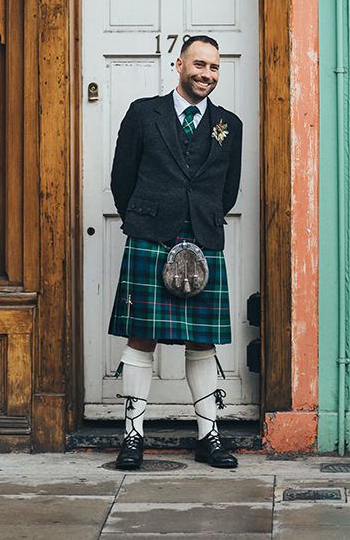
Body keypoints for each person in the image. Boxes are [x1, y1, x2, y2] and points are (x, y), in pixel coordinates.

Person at [108, 35, 243, 470]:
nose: (207, 74)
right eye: (199, 64)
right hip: (151, 234)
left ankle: (209, 436)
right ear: (179, 64)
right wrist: (144, 218)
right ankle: (132, 437)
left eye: (214, 68)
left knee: (202, 340)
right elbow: (121, 179)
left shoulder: (229, 124)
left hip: (203, 236)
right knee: (141, 337)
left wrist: (200, 218)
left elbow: (228, 191)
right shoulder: (144, 113)